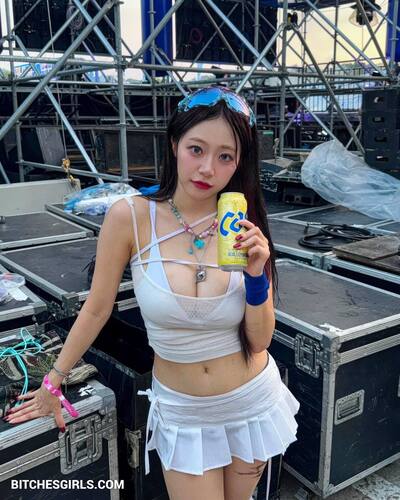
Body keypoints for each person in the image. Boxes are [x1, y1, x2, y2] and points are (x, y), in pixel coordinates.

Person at [5, 86, 299, 500]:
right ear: (175, 144)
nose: (207, 169)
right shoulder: (130, 217)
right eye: (196, 149)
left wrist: (256, 276)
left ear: (239, 162)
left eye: (225, 156)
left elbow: (260, 340)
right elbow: (97, 308)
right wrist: (54, 381)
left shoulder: (242, 223)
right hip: (184, 412)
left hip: (251, 402)